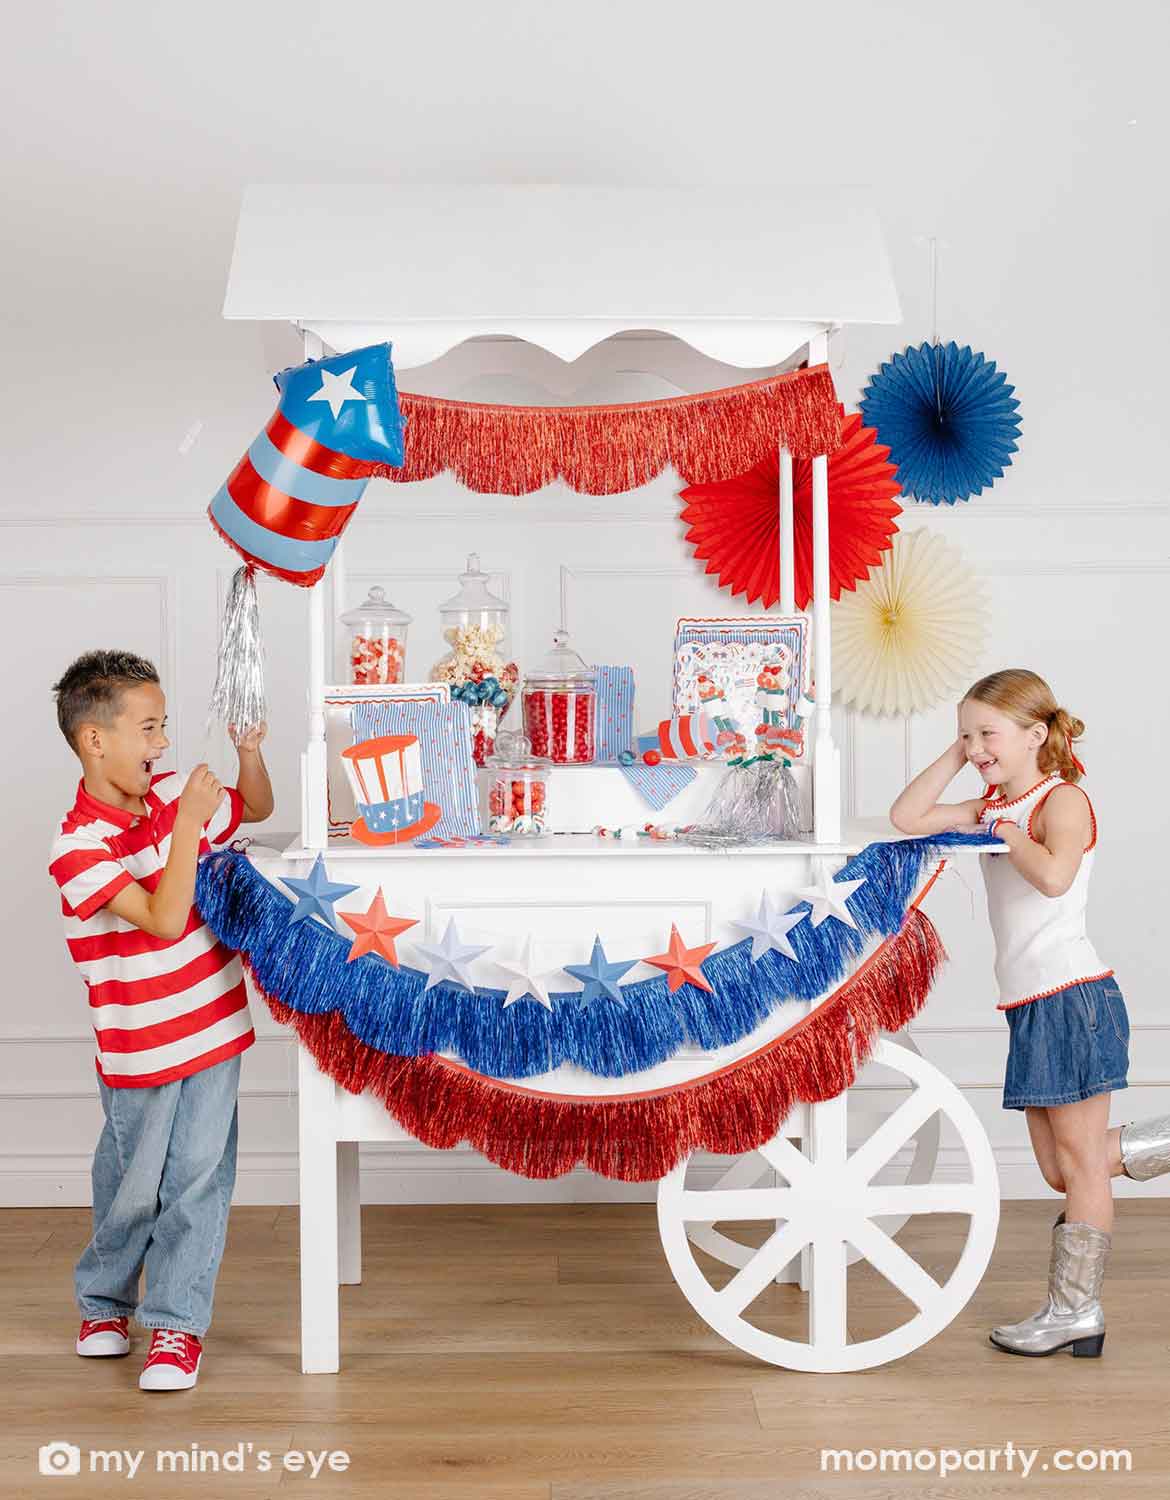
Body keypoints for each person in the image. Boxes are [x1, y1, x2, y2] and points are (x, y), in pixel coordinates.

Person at [890, 667, 1168, 1358]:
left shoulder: (1061, 799)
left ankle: (1074, 1313)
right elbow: (909, 817)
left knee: (1081, 1167)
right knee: (1062, 1170)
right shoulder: (992, 803)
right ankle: (1073, 1312)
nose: (975, 746)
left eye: (988, 733)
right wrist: (961, 757)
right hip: (1032, 1004)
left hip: (1072, 997)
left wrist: (1008, 830)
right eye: (965, 734)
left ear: (1036, 734)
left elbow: (1053, 876)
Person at [47, 650, 273, 1391]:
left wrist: (248, 752)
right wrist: (188, 828)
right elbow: (163, 917)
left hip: (213, 1028)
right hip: (139, 1045)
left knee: (198, 1181)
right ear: (95, 740)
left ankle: (177, 1325)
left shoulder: (174, 793)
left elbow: (257, 807)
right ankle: (105, 1303)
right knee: (132, 1184)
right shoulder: (77, 848)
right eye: (148, 728)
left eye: (164, 725)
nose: (163, 742)